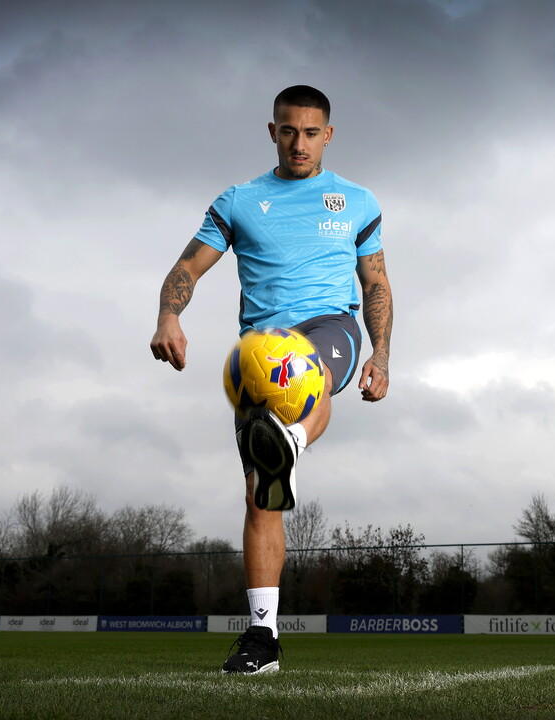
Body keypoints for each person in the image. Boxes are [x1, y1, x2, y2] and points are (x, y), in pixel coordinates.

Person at [150, 85, 393, 674]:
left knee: (306, 374)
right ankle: (263, 640)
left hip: (330, 326)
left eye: (311, 132)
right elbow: (187, 267)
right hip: (255, 352)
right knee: (263, 495)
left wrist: (380, 356)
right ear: (272, 131)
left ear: (328, 135)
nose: (299, 142)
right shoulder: (238, 202)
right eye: (288, 130)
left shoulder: (357, 202)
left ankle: (292, 440)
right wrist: (169, 314)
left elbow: (376, 285)